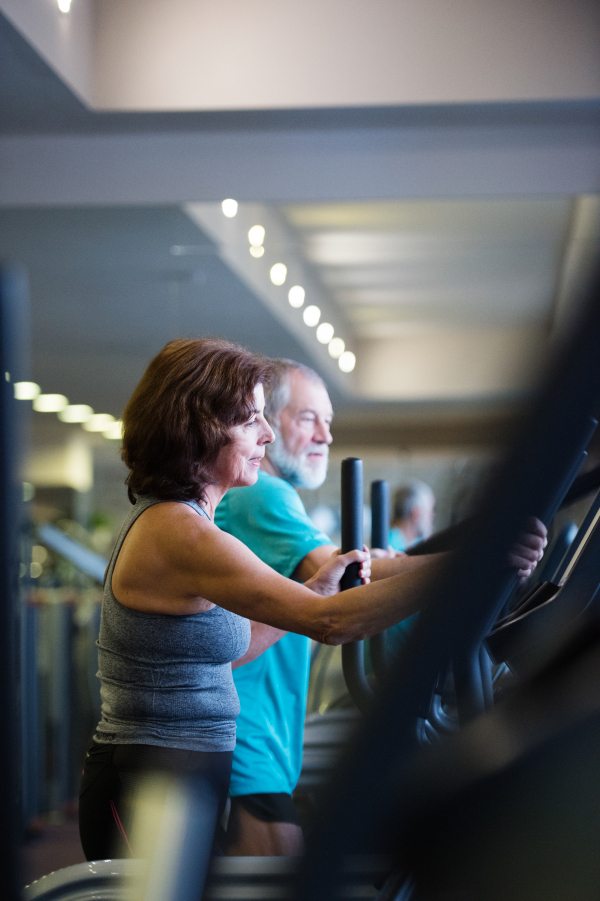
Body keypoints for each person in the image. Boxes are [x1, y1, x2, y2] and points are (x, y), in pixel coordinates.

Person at [78, 338, 546, 862]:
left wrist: (310, 589)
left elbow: (234, 649)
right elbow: (330, 625)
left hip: (184, 774)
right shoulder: (176, 529)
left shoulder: (191, 520)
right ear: (201, 426)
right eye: (251, 419)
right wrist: (470, 565)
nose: (268, 434)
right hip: (146, 780)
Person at [215, 361, 546, 856]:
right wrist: (476, 559)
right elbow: (346, 581)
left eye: (328, 420)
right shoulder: (261, 494)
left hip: (262, 733)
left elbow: (346, 571)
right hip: (246, 735)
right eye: (308, 418)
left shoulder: (267, 498)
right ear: (266, 421)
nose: (325, 435)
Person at [389, 481, 436, 553]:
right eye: (429, 511)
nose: (432, 516)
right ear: (416, 512)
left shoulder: (415, 542)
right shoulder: (390, 545)